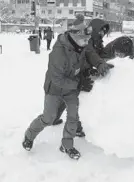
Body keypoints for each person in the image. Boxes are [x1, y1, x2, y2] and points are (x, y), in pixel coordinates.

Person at [22, 15, 95, 160]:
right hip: (54, 89)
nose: (87, 42)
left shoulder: (81, 46)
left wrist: (92, 68)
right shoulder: (58, 53)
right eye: (84, 40)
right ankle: (29, 135)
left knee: (73, 117)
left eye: (88, 39)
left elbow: (87, 57)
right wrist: (78, 84)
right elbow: (57, 79)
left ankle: (67, 145)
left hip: (71, 89)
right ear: (74, 36)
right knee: (48, 118)